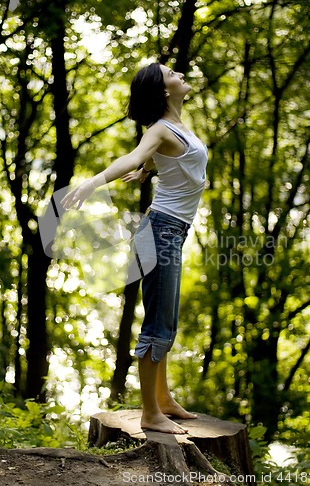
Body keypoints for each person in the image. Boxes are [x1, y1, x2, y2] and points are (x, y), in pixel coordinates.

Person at [61, 62, 208, 434]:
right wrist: (94, 182)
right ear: (163, 91)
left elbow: (178, 165)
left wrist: (151, 171)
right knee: (158, 323)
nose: (179, 73)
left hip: (170, 229)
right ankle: (150, 415)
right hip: (161, 231)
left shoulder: (176, 127)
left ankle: (162, 399)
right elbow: (133, 155)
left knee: (166, 319)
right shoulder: (158, 129)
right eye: (171, 73)